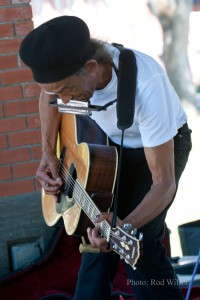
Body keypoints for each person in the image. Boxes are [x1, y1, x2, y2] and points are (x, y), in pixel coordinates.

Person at [19, 16, 192, 300]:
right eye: (56, 92)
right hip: (115, 147)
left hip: (165, 147)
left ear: (90, 67)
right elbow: (48, 97)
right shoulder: (68, 80)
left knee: (140, 243)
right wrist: (49, 154)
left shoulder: (145, 85)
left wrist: (124, 226)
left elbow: (164, 183)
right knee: (96, 240)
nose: (63, 101)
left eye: (66, 91)